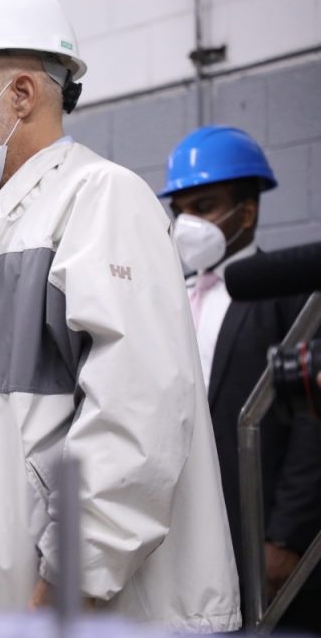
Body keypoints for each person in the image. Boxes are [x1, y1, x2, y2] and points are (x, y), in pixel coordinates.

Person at [0, 0, 241, 632]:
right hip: (1, 600)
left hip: (82, 605)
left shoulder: (101, 201)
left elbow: (135, 412)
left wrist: (73, 577)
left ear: (22, 94)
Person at [161, 125, 321, 634]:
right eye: (180, 210)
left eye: (204, 207)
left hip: (255, 531)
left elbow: (312, 427)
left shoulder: (290, 293)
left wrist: (286, 537)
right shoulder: (170, 297)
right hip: (179, 539)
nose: (188, 223)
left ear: (246, 213)